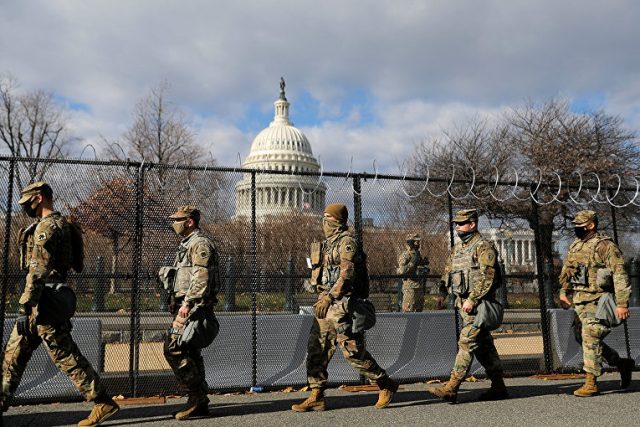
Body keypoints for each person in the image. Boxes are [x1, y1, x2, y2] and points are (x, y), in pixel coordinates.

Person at [0, 182, 119, 426]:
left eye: (27, 202)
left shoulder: (48, 227)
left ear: (40, 198)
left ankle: (102, 401)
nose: (25, 208)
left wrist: (25, 306)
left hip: (45, 303)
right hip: (44, 300)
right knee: (13, 355)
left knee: (65, 355)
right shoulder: (61, 224)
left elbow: (38, 269)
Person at [292, 203, 398, 412]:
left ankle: (385, 383)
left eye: (328, 218)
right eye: (323, 217)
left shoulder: (347, 242)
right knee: (316, 350)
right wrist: (322, 297)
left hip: (343, 306)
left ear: (338, 221)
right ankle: (316, 395)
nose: (324, 222)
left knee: (353, 352)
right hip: (325, 306)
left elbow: (346, 275)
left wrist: (328, 298)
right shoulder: (326, 244)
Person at [427, 209, 508, 403]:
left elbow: (488, 276)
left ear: (472, 224)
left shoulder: (483, 246)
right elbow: (447, 273)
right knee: (484, 347)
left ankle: (452, 387)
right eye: (456, 224)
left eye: (461, 223)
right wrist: (441, 294)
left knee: (466, 341)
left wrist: (473, 299)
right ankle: (499, 387)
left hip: (479, 306)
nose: (457, 227)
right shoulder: (458, 249)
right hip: (464, 306)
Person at [559, 210, 633, 396]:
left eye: (580, 225)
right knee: (579, 336)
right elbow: (568, 270)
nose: (576, 228)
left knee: (590, 334)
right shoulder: (576, 245)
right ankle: (620, 363)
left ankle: (591, 382)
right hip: (579, 300)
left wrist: (622, 303)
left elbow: (619, 274)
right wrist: (563, 291)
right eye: (575, 225)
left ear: (591, 225)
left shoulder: (605, 246)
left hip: (599, 300)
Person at [162, 205, 220, 420]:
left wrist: (185, 306)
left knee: (173, 348)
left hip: (194, 309)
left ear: (190, 222)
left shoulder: (199, 244)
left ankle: (196, 398)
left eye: (177, 219)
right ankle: (200, 401)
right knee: (190, 351)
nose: (173, 223)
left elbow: (200, 278)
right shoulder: (187, 245)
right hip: (187, 306)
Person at [397, 233, 428, 312]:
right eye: (416, 241)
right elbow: (401, 271)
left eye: (418, 242)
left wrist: (424, 265)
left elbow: (419, 268)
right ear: (411, 242)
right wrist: (412, 263)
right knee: (409, 314)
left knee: (418, 314)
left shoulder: (417, 254)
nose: (418, 244)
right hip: (410, 288)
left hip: (419, 287)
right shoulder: (406, 255)